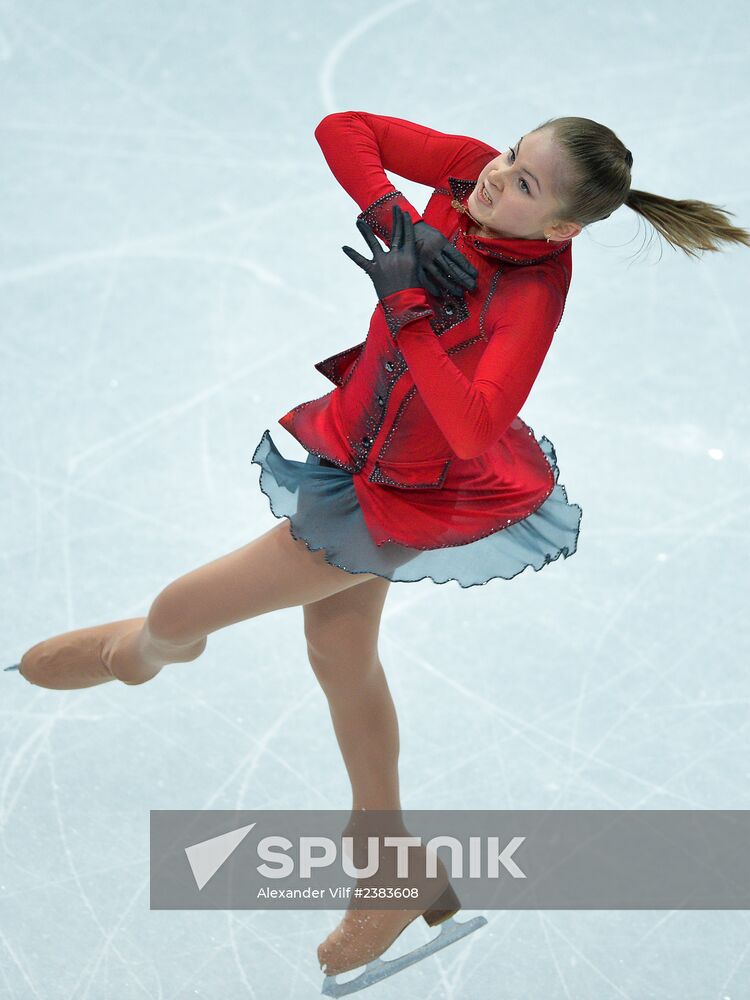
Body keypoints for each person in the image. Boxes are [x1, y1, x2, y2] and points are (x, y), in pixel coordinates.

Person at [6, 111, 749, 992]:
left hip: (403, 494)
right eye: (510, 154)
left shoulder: (530, 295)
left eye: (523, 183)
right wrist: (391, 212)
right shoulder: (467, 178)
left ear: (560, 229)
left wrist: (407, 308)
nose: (493, 175)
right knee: (339, 650)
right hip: (351, 447)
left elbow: (475, 427)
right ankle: (395, 867)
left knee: (182, 609)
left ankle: (137, 654)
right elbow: (343, 127)